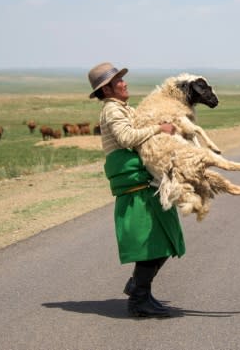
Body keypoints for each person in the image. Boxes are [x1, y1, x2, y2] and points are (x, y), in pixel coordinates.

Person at [88, 62, 186, 318]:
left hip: (142, 182)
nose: (124, 82)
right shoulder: (112, 110)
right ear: (107, 88)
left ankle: (139, 289)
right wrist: (158, 129)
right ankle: (139, 299)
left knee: (161, 240)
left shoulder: (122, 108)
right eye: (119, 80)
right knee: (151, 243)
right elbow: (126, 138)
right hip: (136, 187)